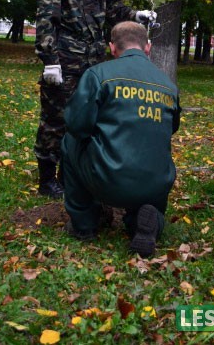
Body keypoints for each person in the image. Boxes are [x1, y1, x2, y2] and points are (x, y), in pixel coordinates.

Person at [34, 0, 156, 198]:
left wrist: (136, 16)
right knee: (55, 119)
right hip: (64, 60)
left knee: (86, 118)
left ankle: (69, 173)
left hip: (94, 63)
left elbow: (115, 11)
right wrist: (50, 60)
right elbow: (46, 22)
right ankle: (46, 178)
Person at [61, 21, 180, 257]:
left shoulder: (99, 75)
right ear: (148, 47)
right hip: (156, 183)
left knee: (69, 141)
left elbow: (76, 125)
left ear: (112, 48)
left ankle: (84, 224)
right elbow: (172, 128)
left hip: (109, 179)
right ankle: (148, 217)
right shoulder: (168, 85)